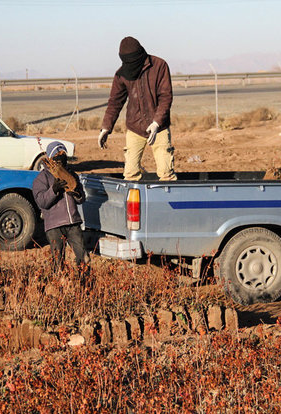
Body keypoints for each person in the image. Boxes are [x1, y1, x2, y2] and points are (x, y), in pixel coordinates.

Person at [98, 36, 177, 181]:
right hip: (135, 128)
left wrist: (156, 123)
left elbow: (166, 97)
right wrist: (106, 128)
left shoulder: (159, 66)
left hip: (159, 129)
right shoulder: (122, 73)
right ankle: (133, 203)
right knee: (130, 174)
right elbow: (115, 102)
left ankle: (167, 202)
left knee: (166, 174)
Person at [32, 141, 89, 281]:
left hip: (73, 223)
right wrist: (54, 190)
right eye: (57, 155)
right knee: (58, 260)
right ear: (50, 158)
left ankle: (85, 285)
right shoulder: (42, 178)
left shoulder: (71, 175)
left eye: (63, 155)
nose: (60, 158)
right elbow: (42, 202)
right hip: (54, 226)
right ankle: (59, 287)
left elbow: (81, 199)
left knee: (84, 257)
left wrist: (76, 193)